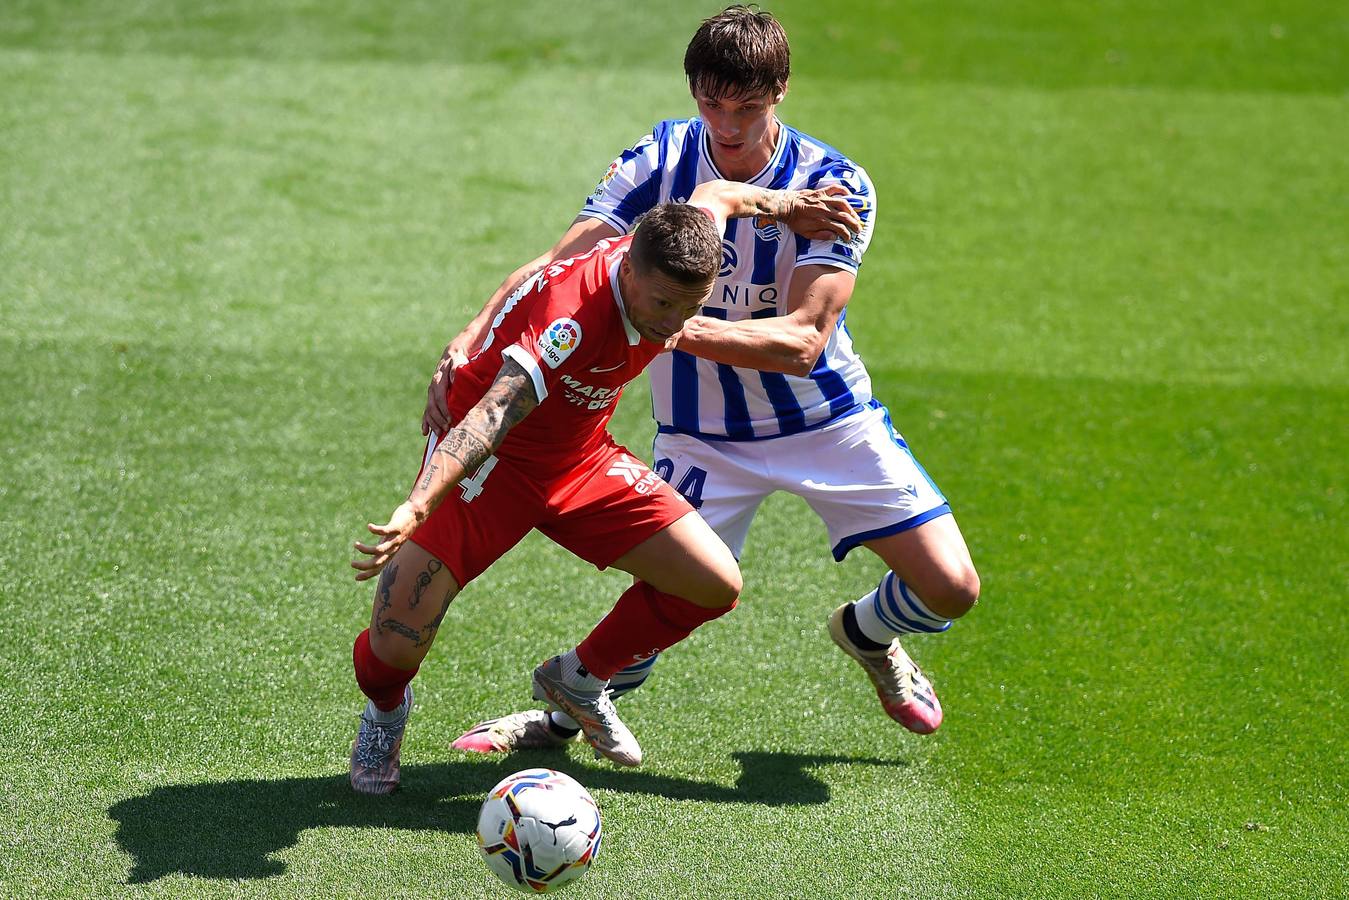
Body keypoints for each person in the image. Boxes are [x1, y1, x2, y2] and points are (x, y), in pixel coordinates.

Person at [441, 6, 981, 757]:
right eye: (710, 102)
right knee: (669, 600)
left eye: (747, 107)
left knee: (951, 588)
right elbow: (561, 264)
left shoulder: (833, 185)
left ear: (781, 91)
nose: (726, 125)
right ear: (693, 88)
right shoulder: (659, 158)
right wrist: (475, 330)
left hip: (827, 422)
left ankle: (865, 634)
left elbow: (801, 342)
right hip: (701, 435)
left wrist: (656, 323)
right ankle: (559, 714)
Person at [347, 179, 860, 794]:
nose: (674, 325)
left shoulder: (680, 244)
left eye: (691, 305)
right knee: (398, 634)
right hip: (494, 461)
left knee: (714, 582)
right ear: (631, 268)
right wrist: (417, 504)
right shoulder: (572, 319)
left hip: (579, 456)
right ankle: (385, 714)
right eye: (664, 304)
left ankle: (580, 678)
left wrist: (788, 206)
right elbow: (488, 417)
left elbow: (717, 195)